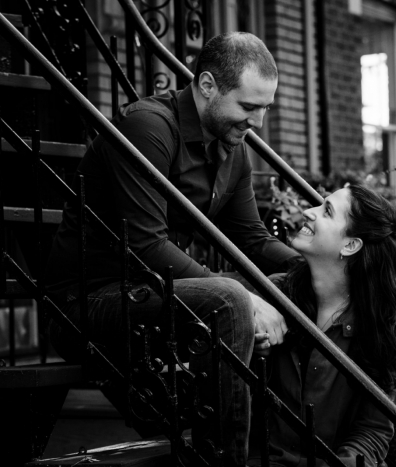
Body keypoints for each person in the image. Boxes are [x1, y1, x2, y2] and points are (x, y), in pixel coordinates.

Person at [45, 32, 299, 465]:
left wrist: (322, 266)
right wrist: (247, 298)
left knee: (287, 286)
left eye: (265, 109)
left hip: (151, 296)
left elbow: (251, 239)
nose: (258, 122)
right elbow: (146, 245)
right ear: (206, 86)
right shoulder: (148, 126)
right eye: (248, 106)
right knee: (232, 297)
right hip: (90, 301)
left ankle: (283, 451)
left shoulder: (233, 149)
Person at [247, 184, 396, 467]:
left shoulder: (383, 323)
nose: (308, 212)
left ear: (350, 245)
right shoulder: (273, 295)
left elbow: (373, 429)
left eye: (326, 211)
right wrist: (255, 349)